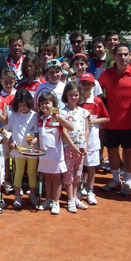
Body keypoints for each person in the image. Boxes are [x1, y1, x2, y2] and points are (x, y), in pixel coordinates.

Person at [98, 43, 131, 195]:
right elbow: (97, 92)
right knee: (112, 151)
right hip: (111, 122)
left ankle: (128, 181)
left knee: (129, 152)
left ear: (130, 55)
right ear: (114, 56)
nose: (123, 57)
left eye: (126, 54)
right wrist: (103, 107)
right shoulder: (106, 74)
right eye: (119, 54)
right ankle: (115, 179)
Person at [35, 91, 73, 214]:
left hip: (56, 155)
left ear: (53, 104)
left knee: (56, 179)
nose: (44, 106)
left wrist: (60, 118)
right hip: (43, 156)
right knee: (47, 178)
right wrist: (33, 141)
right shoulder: (40, 119)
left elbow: (71, 127)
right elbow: (38, 136)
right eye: (42, 103)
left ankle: (56, 202)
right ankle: (48, 200)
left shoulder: (57, 118)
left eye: (47, 103)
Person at [5, 89, 39, 210]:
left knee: (31, 172)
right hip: (18, 149)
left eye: (25, 105)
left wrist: (34, 141)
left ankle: (32, 195)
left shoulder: (34, 115)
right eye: (20, 105)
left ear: (29, 103)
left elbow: (37, 134)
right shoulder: (13, 115)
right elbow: (8, 130)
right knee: (18, 172)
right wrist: (10, 142)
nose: (22, 108)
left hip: (32, 150)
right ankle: (17, 197)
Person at [78, 73, 108, 205]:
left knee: (91, 167)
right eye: (83, 84)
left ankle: (90, 191)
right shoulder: (76, 100)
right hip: (78, 140)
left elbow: (106, 118)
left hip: (92, 140)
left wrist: (93, 121)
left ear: (93, 85)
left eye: (88, 84)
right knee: (78, 167)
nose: (85, 87)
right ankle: (78, 189)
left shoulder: (97, 101)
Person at [60, 81, 89, 213]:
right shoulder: (62, 113)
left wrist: (85, 146)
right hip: (68, 148)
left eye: (76, 95)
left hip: (81, 149)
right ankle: (70, 199)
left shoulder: (84, 112)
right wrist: (73, 147)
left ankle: (76, 197)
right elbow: (64, 132)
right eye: (71, 95)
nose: (73, 98)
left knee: (78, 174)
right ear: (66, 95)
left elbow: (86, 129)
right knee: (69, 174)